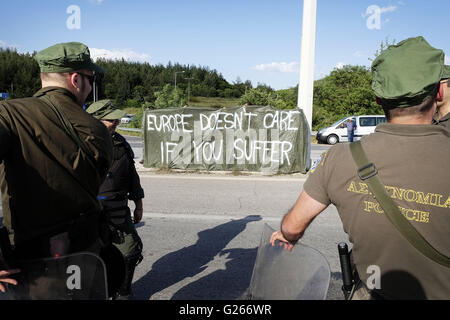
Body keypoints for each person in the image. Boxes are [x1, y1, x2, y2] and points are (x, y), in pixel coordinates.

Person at [270, 36, 450, 300]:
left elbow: (292, 228)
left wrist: (286, 235)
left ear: (378, 98)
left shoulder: (340, 157)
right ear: (440, 93)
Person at [0, 42, 113, 265]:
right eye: (91, 80)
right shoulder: (98, 129)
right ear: (76, 80)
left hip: (28, 257)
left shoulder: (9, 114)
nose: (90, 87)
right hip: (85, 251)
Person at [86, 99, 144, 300]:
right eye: (112, 119)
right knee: (91, 256)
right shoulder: (81, 142)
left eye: (117, 117)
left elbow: (132, 175)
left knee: (131, 250)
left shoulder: (120, 142)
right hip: (90, 212)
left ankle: (123, 291)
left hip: (118, 209)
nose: (117, 121)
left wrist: (138, 203)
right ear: (97, 120)